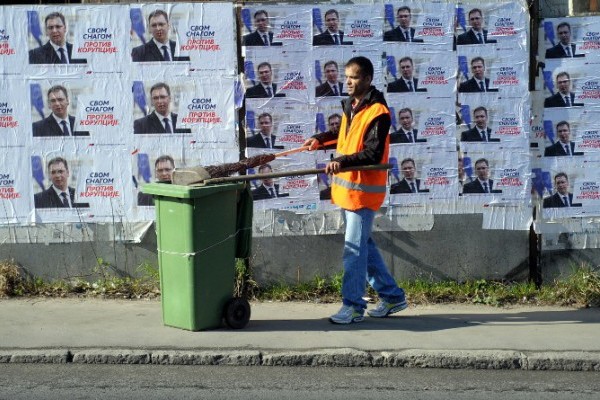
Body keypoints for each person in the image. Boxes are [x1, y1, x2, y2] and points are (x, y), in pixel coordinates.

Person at [302, 56, 407, 324]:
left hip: (363, 193)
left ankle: (353, 307)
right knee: (364, 247)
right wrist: (320, 139)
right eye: (346, 76)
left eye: (354, 77)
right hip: (349, 192)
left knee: (353, 250)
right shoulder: (352, 105)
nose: (348, 81)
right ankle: (393, 297)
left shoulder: (379, 112)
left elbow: (372, 153)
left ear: (368, 80)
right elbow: (345, 136)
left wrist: (340, 161)